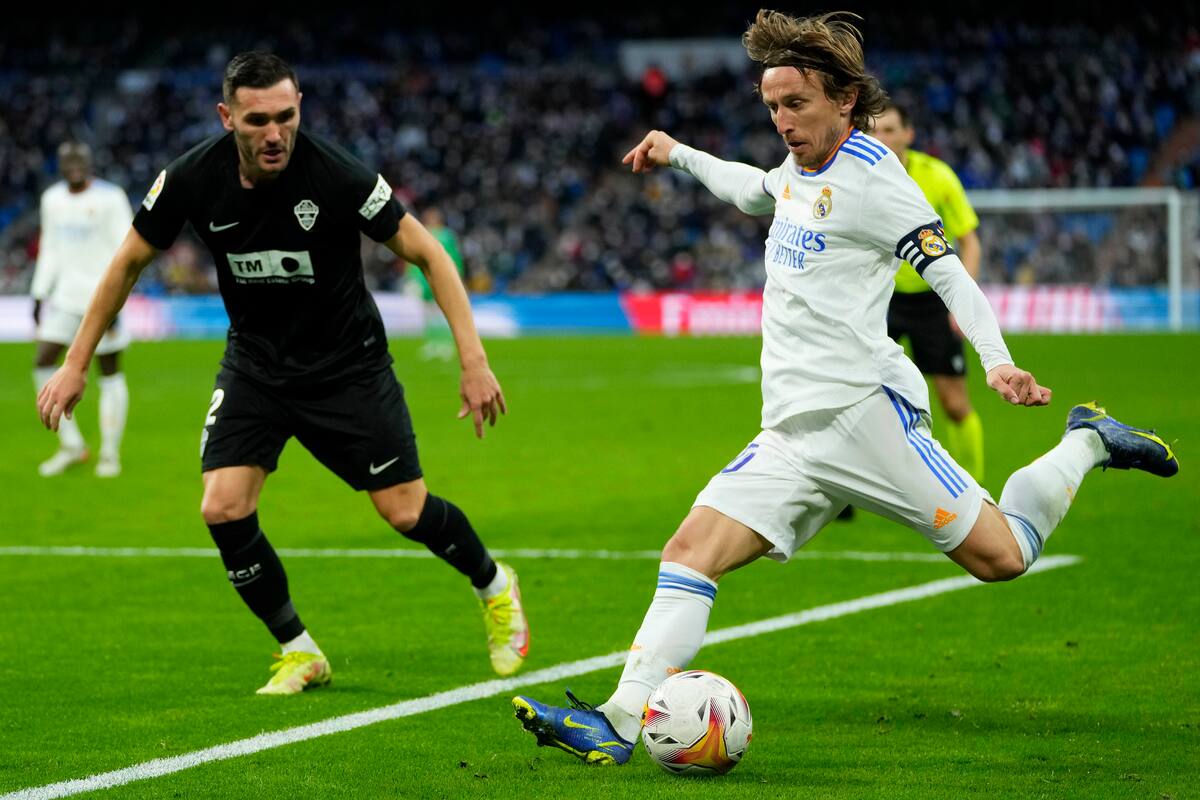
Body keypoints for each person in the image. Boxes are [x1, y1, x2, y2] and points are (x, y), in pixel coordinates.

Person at [511, 9, 1177, 765]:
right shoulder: (798, 167)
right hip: (792, 432)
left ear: (844, 101)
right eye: (772, 106)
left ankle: (1087, 438)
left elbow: (947, 269)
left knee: (1006, 557)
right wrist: (678, 152)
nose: (783, 121)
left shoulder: (875, 181)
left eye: (796, 104)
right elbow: (755, 190)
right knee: (689, 551)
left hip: (865, 417)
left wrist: (995, 359)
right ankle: (618, 718)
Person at [37, 51, 529, 695]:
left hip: (347, 369)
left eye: (287, 116)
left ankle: (494, 585)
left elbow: (429, 254)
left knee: (405, 512)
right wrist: (76, 363)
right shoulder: (190, 177)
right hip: (256, 367)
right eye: (258, 119)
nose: (275, 134)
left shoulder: (335, 174)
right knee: (222, 506)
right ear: (227, 117)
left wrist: (474, 361)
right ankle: (299, 650)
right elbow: (127, 263)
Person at [873, 101, 986, 480]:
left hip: (933, 301)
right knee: (853, 395)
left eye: (889, 130)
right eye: (873, 131)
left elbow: (969, 241)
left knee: (954, 404)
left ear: (909, 134)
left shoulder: (937, 177)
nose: (882, 138)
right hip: (879, 300)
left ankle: (975, 489)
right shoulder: (859, 173)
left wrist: (961, 301)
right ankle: (843, 493)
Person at [31, 142, 133, 478]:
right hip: (64, 297)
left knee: (109, 373)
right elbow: (50, 249)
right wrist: (38, 293)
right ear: (58, 165)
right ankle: (72, 445)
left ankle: (109, 454)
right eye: (66, 160)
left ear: (90, 162)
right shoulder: (52, 199)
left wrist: (117, 302)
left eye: (79, 160)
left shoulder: (111, 197)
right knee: (43, 361)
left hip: (101, 299)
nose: (73, 165)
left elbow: (125, 250)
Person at [405, 207, 462, 361]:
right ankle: (432, 343)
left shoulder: (446, 235)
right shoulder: (422, 233)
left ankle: (445, 344)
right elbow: (412, 256)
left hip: (442, 280)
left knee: (443, 314)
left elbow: (454, 257)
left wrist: (457, 276)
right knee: (428, 315)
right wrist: (411, 276)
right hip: (424, 282)